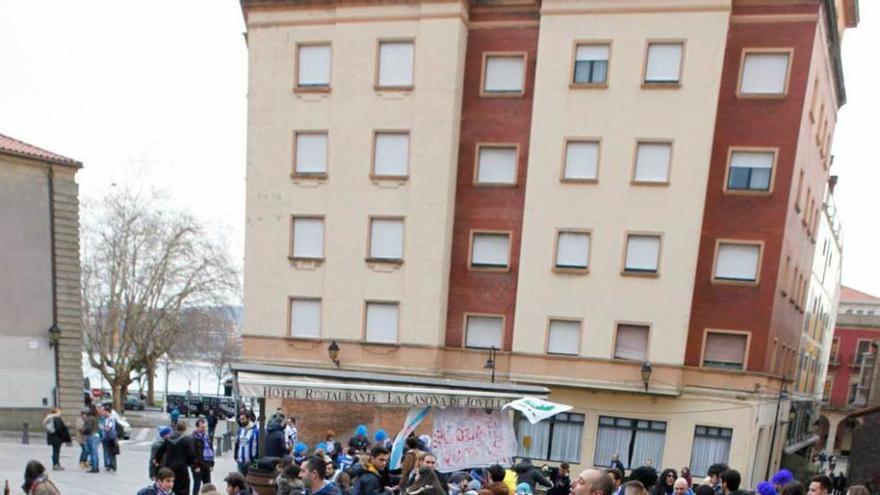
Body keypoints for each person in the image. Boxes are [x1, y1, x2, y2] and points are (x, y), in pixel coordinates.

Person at [155, 420, 198, 495]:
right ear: (185, 429)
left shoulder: (168, 439)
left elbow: (161, 450)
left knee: (170, 487)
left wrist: (157, 460)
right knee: (183, 488)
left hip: (169, 467)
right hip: (182, 468)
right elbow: (191, 454)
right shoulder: (187, 440)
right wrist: (193, 464)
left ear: (175, 428)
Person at [193, 418, 216, 495]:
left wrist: (212, 464)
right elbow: (192, 454)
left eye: (205, 427)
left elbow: (211, 450)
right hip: (198, 466)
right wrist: (195, 466)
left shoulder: (206, 437)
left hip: (206, 465)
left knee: (208, 486)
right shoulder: (193, 438)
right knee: (197, 485)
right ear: (197, 427)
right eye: (202, 427)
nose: (204, 429)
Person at [99, 404, 119, 472]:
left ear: (107, 411)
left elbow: (108, 428)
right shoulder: (108, 418)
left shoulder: (110, 419)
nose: (103, 413)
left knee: (111, 452)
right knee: (110, 452)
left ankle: (112, 465)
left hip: (110, 437)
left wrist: (102, 427)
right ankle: (111, 464)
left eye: (104, 411)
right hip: (108, 437)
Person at [84, 405, 101, 473]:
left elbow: (87, 428)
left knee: (92, 453)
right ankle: (96, 467)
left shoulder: (90, 418)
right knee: (95, 452)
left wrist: (83, 430)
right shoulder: (97, 417)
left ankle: (94, 468)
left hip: (91, 435)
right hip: (96, 435)